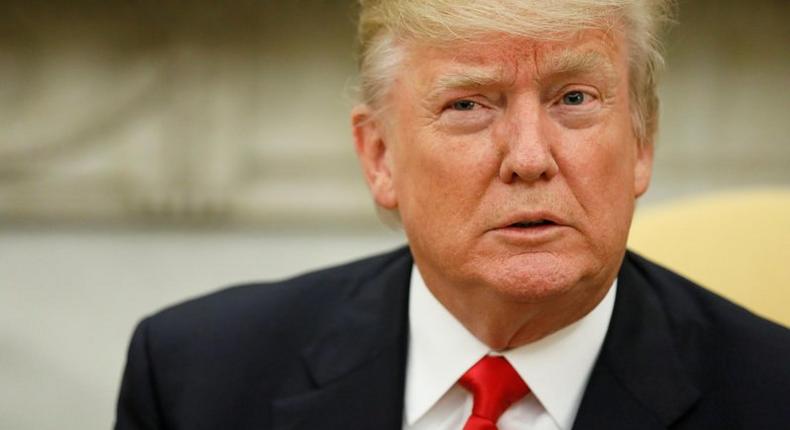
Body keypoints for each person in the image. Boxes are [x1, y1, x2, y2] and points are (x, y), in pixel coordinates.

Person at [115, 1, 790, 429]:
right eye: (469, 105)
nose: (529, 157)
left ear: (642, 142)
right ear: (380, 156)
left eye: (575, 98)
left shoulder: (772, 397)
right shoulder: (195, 379)